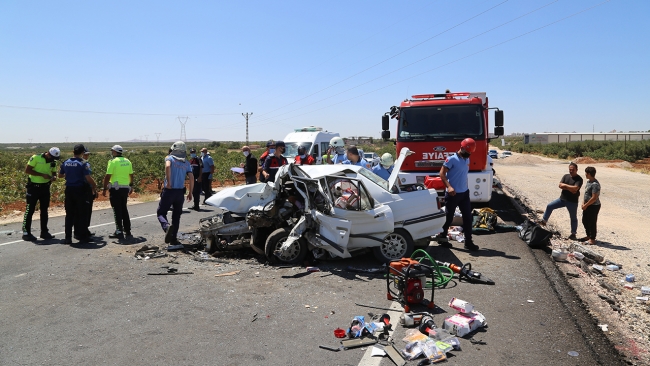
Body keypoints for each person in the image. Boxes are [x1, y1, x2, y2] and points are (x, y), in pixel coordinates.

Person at [435, 138, 479, 251]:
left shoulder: (466, 159)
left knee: (468, 218)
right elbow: (442, 173)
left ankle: (468, 242)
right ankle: (442, 238)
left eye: (471, 152)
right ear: (462, 148)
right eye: (468, 151)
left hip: (464, 193)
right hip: (453, 194)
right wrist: (449, 187)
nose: (469, 154)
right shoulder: (451, 159)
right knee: (448, 218)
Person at [59, 144, 97, 244]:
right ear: (82, 153)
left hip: (69, 190)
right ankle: (83, 236)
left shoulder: (66, 162)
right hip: (80, 190)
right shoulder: (83, 163)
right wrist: (94, 185)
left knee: (70, 214)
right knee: (82, 213)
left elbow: (60, 175)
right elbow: (88, 178)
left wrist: (70, 174)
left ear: (73, 151)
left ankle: (68, 238)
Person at [157, 141, 193, 245]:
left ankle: (166, 227)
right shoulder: (186, 163)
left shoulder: (169, 158)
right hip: (180, 193)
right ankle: (173, 239)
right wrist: (190, 192)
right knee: (176, 216)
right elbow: (191, 177)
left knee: (161, 212)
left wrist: (168, 182)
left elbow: (168, 166)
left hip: (169, 191)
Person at [22, 147, 60, 241]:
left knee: (44, 210)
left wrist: (54, 176)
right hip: (33, 188)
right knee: (29, 210)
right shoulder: (36, 157)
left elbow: (54, 172)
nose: (53, 160)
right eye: (51, 157)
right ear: (48, 153)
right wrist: (41, 175)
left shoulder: (53, 162)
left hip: (45, 188)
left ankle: (44, 232)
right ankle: (26, 232)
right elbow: (27, 170)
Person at [540, 162, 583, 240]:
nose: (571, 171)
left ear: (577, 170)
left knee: (573, 218)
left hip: (572, 202)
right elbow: (560, 185)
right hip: (562, 199)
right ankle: (544, 221)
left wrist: (565, 186)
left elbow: (575, 189)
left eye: (573, 169)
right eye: (570, 169)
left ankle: (573, 234)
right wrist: (570, 188)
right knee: (550, 206)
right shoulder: (565, 176)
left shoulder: (579, 179)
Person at [102, 145, 134, 240]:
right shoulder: (127, 161)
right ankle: (127, 230)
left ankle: (119, 231)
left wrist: (104, 188)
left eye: (112, 151)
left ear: (115, 152)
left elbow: (108, 176)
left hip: (116, 189)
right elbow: (131, 175)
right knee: (124, 208)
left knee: (117, 210)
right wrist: (131, 186)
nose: (112, 153)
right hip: (125, 188)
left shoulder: (112, 162)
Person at [79, 147, 98, 238]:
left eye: (87, 154)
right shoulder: (83, 164)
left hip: (84, 189)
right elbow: (88, 178)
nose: (87, 156)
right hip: (84, 190)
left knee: (87, 211)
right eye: (85, 154)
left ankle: (85, 229)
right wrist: (94, 187)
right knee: (85, 211)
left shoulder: (84, 163)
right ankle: (82, 231)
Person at [580, 166, 601, 245]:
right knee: (584, 220)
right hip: (587, 205)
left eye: (586, 173)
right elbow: (586, 194)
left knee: (592, 222)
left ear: (589, 174)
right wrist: (583, 203)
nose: (585, 174)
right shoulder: (588, 182)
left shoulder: (595, 184)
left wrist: (586, 205)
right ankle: (588, 235)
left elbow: (594, 197)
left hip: (593, 206)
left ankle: (592, 239)